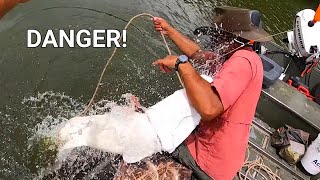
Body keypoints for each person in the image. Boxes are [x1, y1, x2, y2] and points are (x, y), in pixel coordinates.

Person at [152, 6, 271, 180]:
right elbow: (198, 54)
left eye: (219, 35)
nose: (216, 40)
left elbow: (209, 109)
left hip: (210, 161)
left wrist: (181, 65)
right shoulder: (233, 54)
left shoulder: (243, 62)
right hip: (218, 151)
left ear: (232, 37)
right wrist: (169, 30)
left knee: (155, 145)